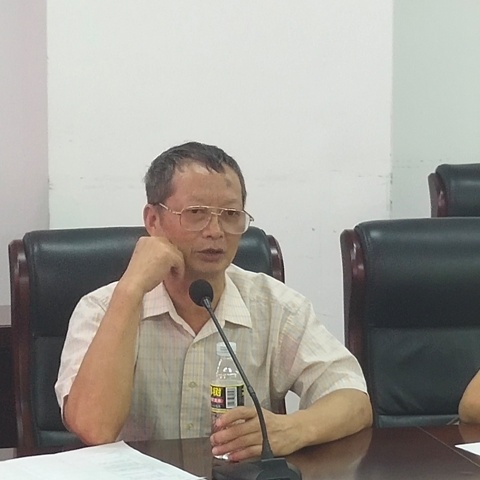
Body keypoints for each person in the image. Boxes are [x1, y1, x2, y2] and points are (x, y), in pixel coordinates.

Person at [55, 141, 372, 461]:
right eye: (196, 213)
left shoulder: (276, 307)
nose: (216, 231)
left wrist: (293, 429)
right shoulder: (100, 309)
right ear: (153, 221)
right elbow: (94, 428)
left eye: (231, 215)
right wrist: (131, 289)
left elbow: (353, 398)